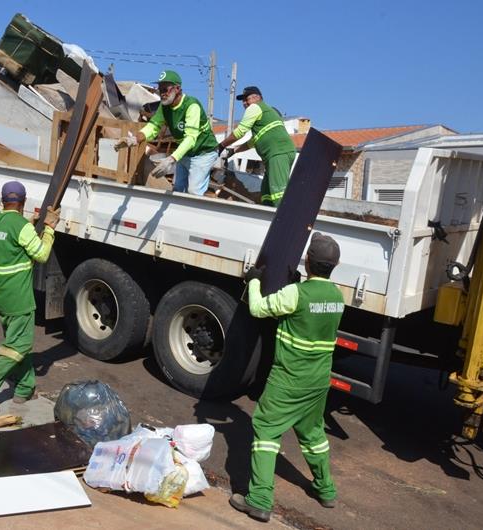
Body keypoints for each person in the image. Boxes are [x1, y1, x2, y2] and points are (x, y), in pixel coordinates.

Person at [230, 232, 345, 523]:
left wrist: (254, 280)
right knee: (313, 434)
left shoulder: (296, 295)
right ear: (335, 265)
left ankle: (258, 500)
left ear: (307, 262)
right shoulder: (337, 296)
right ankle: (325, 490)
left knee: (266, 432)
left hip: (289, 379)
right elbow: (309, 317)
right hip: (318, 381)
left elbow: (258, 309)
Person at [0, 181, 60, 414]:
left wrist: (31, 224)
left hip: (0, 293)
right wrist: (49, 228)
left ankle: (24, 388)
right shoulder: (21, 226)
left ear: (2, 201)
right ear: (24, 202)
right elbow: (42, 254)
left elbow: (13, 236)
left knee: (17, 341)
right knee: (19, 344)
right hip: (18, 295)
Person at [114, 70, 219, 196]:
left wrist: (171, 159)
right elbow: (153, 127)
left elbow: (191, 138)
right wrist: (135, 139)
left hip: (203, 153)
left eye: (165, 89)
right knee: (178, 190)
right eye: (160, 89)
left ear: (177, 88)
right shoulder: (164, 107)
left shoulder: (191, 106)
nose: (162, 93)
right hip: (186, 153)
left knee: (194, 192)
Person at [217, 86, 296, 207]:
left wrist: (221, 146)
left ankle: (285, 222)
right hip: (277, 155)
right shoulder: (266, 114)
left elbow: (240, 132)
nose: (244, 103)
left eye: (246, 99)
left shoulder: (255, 107)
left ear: (257, 97)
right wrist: (234, 150)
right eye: (243, 101)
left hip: (277, 153)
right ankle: (267, 218)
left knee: (278, 194)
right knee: (266, 193)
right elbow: (253, 141)